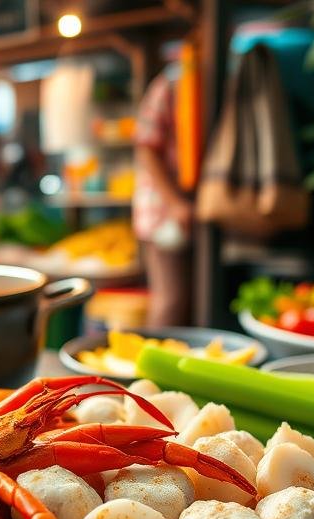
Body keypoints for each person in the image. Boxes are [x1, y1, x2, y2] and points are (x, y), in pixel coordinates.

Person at [133, 44, 193, 327]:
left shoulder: (209, 82)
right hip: (161, 213)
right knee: (171, 300)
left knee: (189, 301)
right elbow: (145, 147)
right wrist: (176, 202)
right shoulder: (170, 83)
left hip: (191, 210)